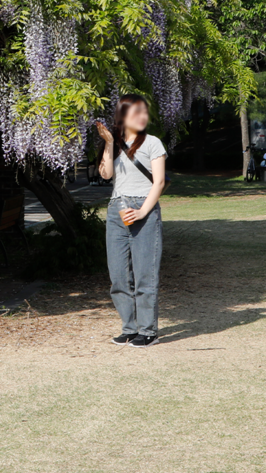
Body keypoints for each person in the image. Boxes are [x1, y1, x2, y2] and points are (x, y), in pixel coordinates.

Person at [95, 94, 167, 348]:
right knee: (118, 276)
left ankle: (148, 330)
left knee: (145, 275)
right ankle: (129, 327)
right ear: (123, 116)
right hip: (117, 210)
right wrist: (108, 143)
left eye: (144, 112)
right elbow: (105, 175)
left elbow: (158, 182)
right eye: (136, 112)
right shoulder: (114, 144)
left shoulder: (153, 143)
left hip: (143, 210)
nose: (142, 117)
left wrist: (142, 212)